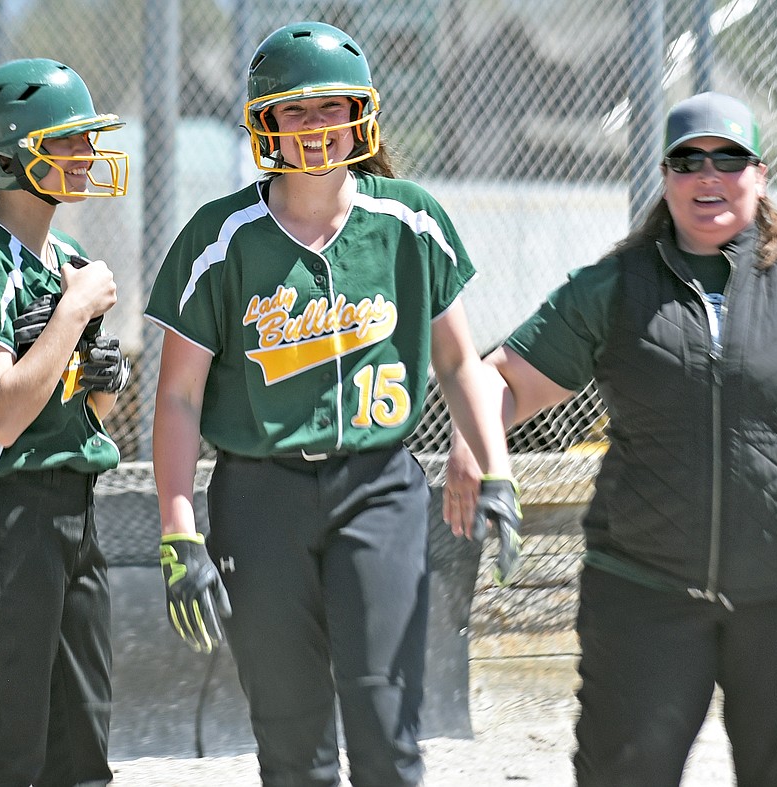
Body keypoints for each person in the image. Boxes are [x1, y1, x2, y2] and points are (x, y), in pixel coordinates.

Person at [444, 91, 777, 787]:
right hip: (644, 592)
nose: (708, 175)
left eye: (729, 158)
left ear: (760, 175)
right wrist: (473, 446)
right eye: (689, 160)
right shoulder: (616, 287)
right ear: (665, 176)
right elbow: (502, 379)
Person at [145, 21, 519, 787]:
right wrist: (177, 526)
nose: (316, 127)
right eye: (295, 110)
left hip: (378, 487)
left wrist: (499, 469)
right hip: (259, 493)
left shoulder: (410, 220)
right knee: (291, 743)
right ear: (264, 122)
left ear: (363, 113)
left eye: (331, 107)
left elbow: (456, 360)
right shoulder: (220, 237)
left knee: (387, 730)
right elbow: (178, 398)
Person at [0, 58, 130, 787]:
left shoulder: (67, 258)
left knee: (82, 752)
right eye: (66, 142)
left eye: (85, 140)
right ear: (7, 156)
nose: (86, 156)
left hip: (75, 508)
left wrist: (102, 379)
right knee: (6, 751)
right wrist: (72, 313)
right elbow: (2, 412)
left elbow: (85, 416)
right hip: (7, 515)